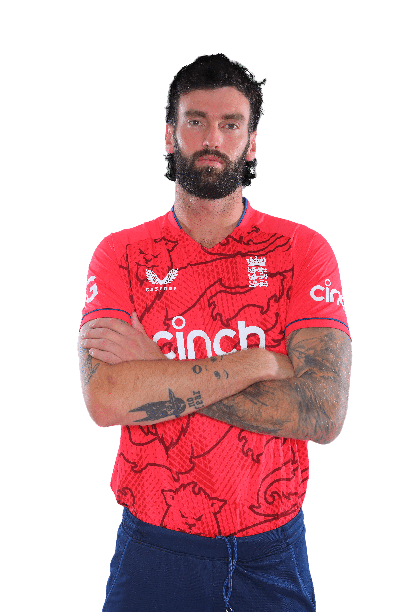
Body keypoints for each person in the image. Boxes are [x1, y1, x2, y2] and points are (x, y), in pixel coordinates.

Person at [78, 53, 352, 612]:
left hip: (272, 551)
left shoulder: (302, 251)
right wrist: (257, 363)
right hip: (154, 545)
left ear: (251, 143)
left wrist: (158, 371)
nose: (212, 139)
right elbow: (105, 401)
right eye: (196, 121)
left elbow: (323, 412)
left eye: (230, 124)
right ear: (170, 135)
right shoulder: (121, 253)